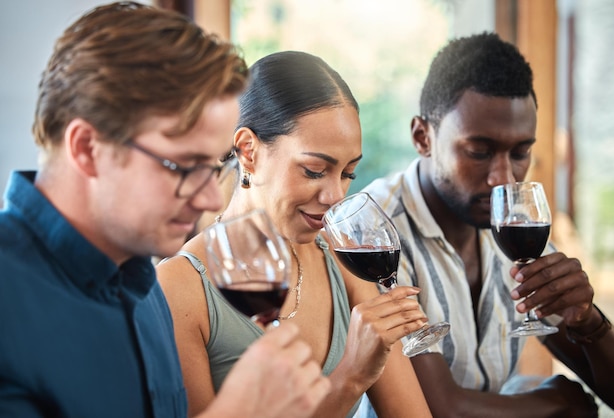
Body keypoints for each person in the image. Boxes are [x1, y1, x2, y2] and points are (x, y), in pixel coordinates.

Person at [0, 3, 330, 418]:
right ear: (87, 149)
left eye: (215, 166)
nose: (211, 199)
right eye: (186, 167)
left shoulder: (145, 287)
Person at [361, 32, 614, 417]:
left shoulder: (516, 227)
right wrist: (553, 404)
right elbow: (439, 410)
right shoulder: (376, 238)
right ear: (423, 137)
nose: (504, 178)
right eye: (479, 152)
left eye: (521, 153)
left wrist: (589, 321)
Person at [156, 50, 433, 418]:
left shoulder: (341, 258)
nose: (335, 196)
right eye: (315, 170)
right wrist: (351, 377)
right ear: (248, 151)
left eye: (347, 173)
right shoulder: (180, 287)